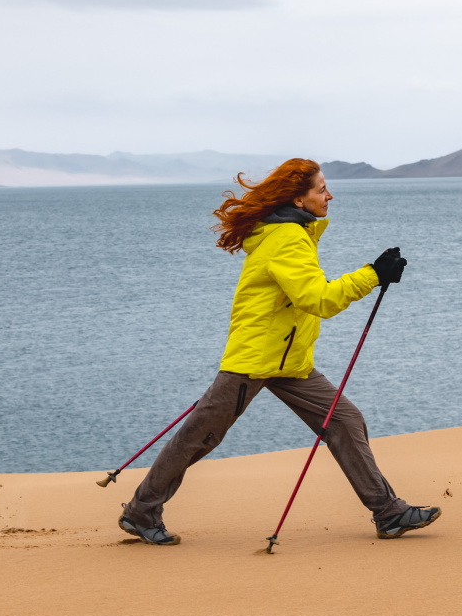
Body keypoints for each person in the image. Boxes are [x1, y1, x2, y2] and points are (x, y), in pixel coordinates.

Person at [118, 158, 440, 546]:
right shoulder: (287, 238)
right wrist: (373, 274)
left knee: (344, 420)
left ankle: (389, 513)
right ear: (299, 199)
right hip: (255, 360)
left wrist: (373, 273)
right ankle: (140, 512)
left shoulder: (295, 233)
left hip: (289, 362)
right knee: (198, 437)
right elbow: (317, 299)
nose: (330, 195)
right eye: (321, 189)